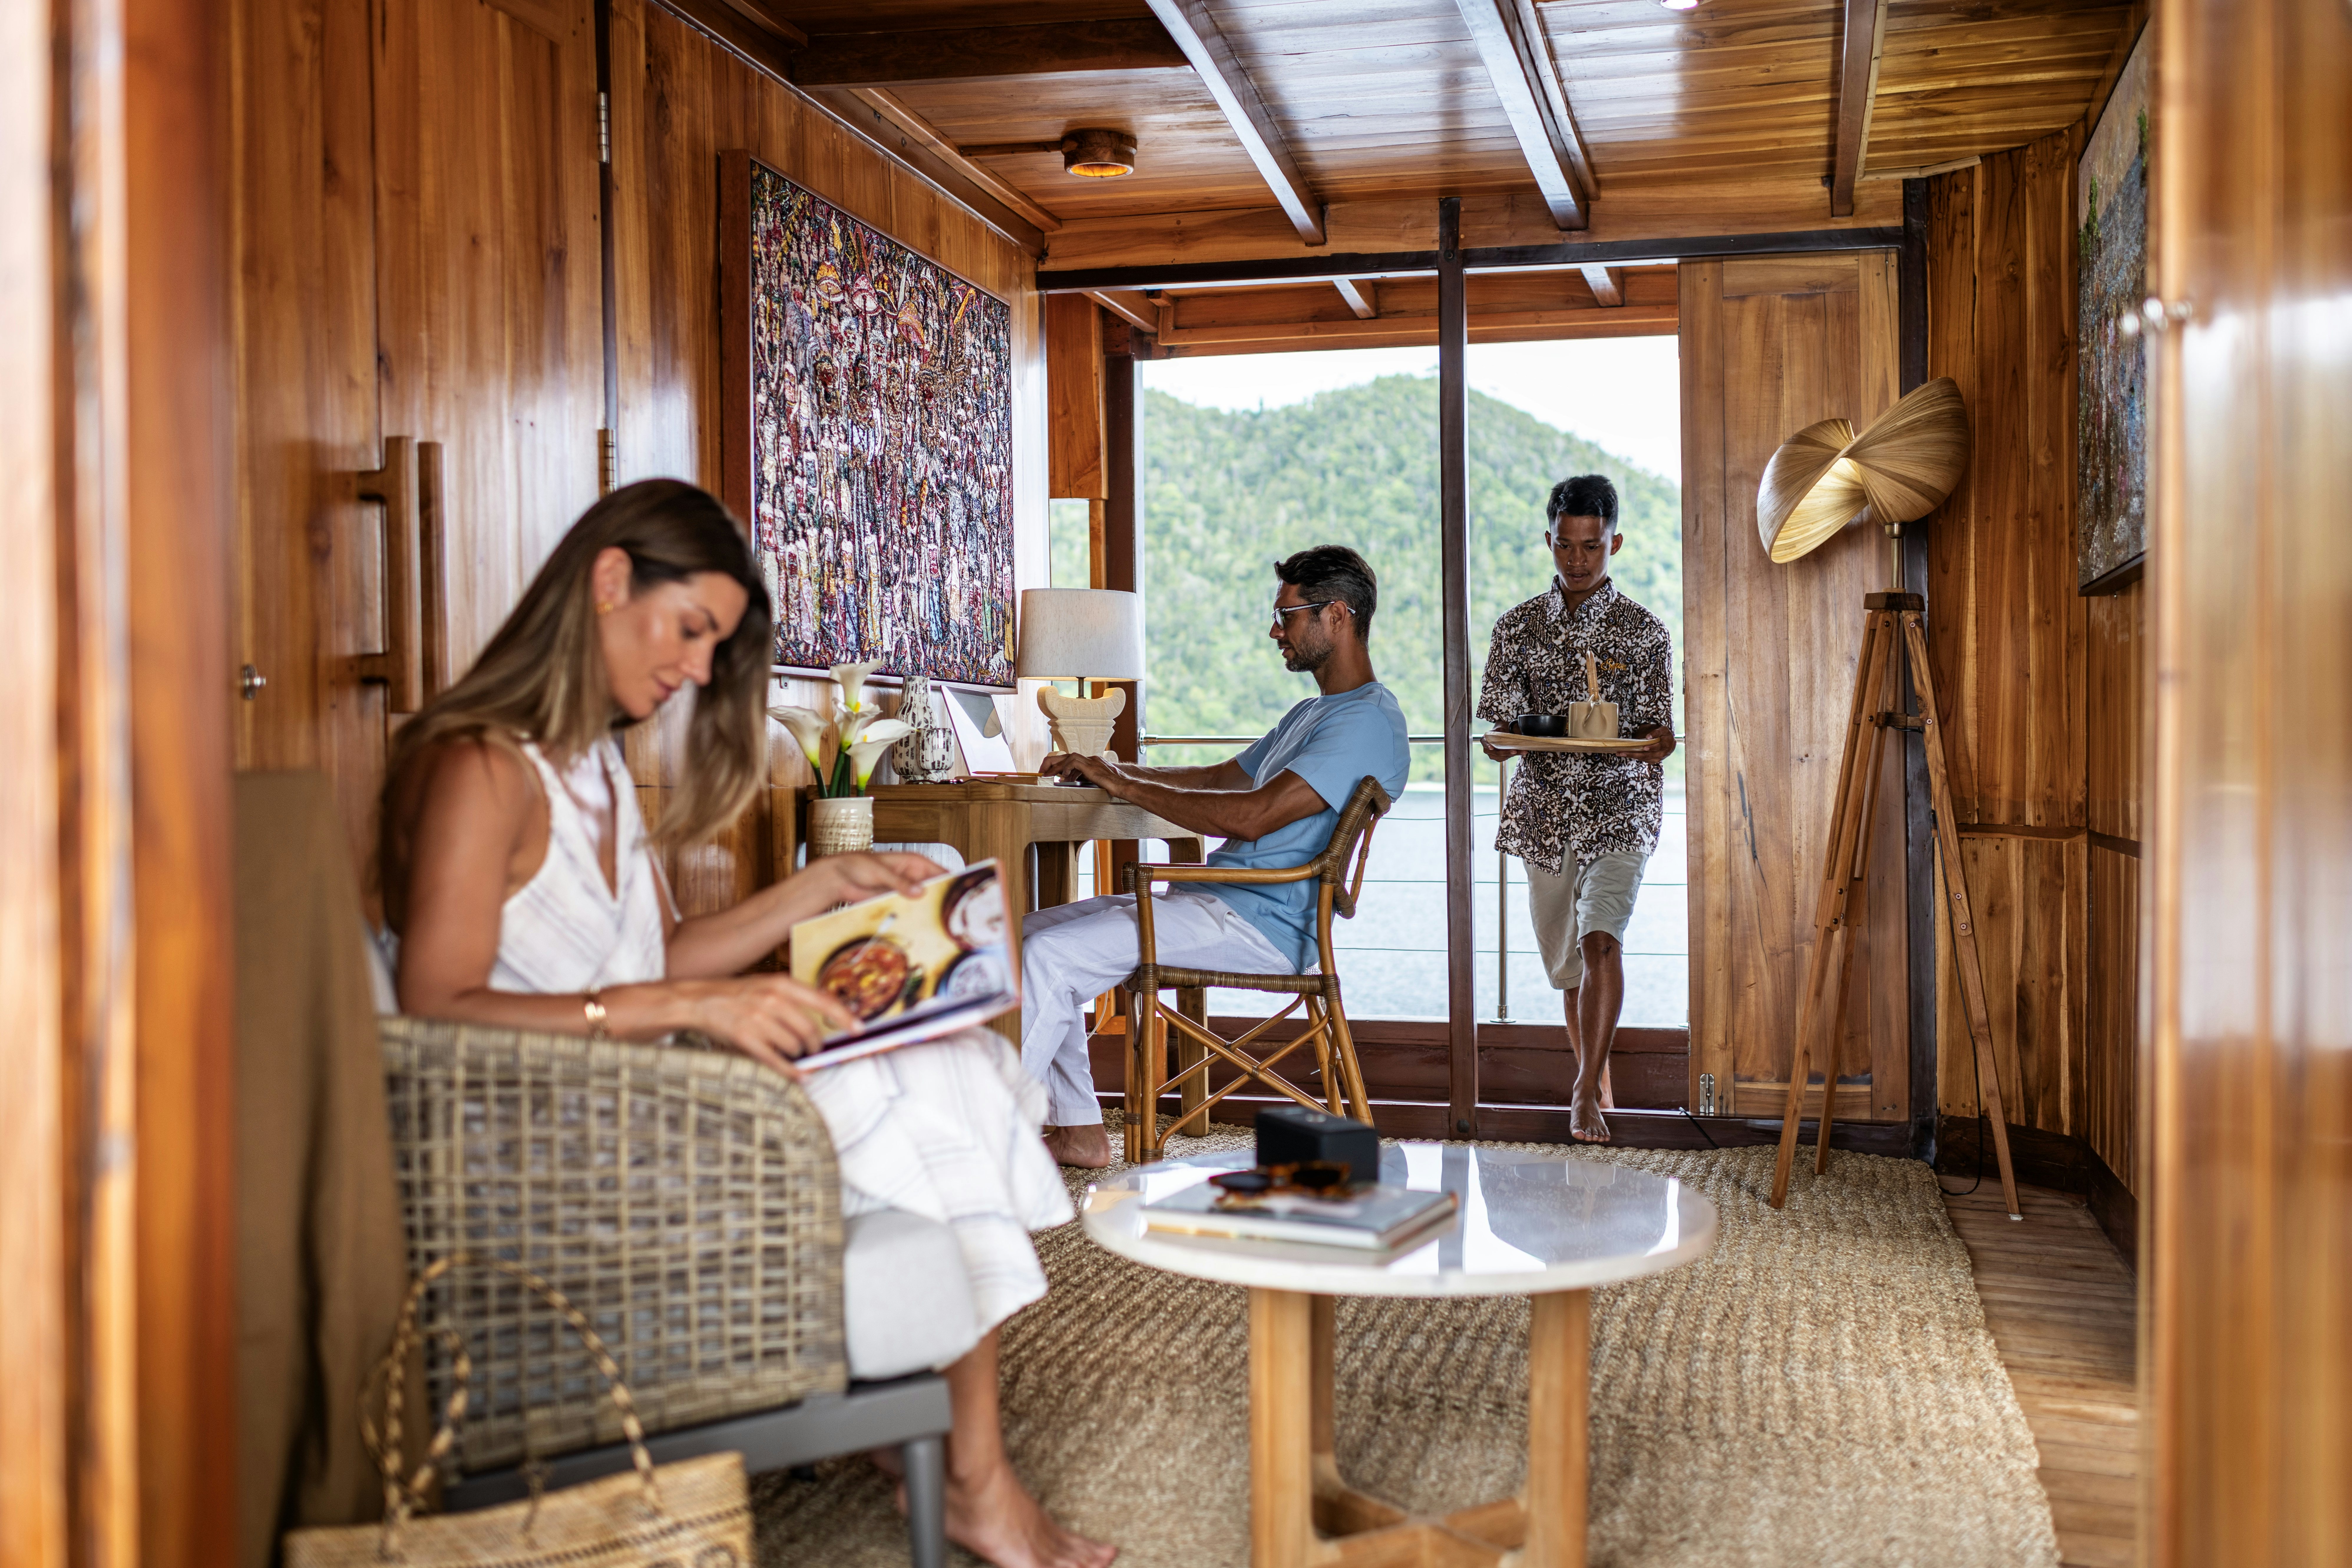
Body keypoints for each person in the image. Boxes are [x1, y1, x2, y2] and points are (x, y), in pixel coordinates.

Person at [376, 480, 1113, 1568]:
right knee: (924, 1084)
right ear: (609, 579)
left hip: (648, 1095)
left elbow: (658, 955)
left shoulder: (592, 766)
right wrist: (690, 1008)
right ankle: (973, 1479)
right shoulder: (480, 764)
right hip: (553, 1146)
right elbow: (438, 1006)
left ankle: (964, 1461)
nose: (695, 670)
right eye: (690, 631)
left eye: (714, 647)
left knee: (940, 1051)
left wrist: (826, 888)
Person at [1020, 546, 1411, 1168]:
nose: (1274, 629)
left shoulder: (1364, 723)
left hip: (1260, 926)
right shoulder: (1314, 713)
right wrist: (1115, 770)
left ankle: (978, 1147)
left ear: (1337, 616)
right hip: (1221, 903)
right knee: (1032, 934)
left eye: (1288, 615)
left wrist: (1122, 785)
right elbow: (1224, 779)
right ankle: (1080, 1131)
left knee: (1047, 958)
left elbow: (1250, 816)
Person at [1476, 475, 1676, 1144]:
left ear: (1613, 542)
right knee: (1569, 969)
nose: (1578, 559)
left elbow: (1657, 734)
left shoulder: (1645, 632)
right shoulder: (1517, 627)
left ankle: (1584, 1092)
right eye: (1566, 545)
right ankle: (1599, 1083)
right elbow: (1498, 731)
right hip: (1544, 813)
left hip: (1620, 805)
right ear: (1550, 540)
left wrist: (1659, 743)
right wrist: (1501, 743)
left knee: (1601, 940)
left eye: (1592, 547)